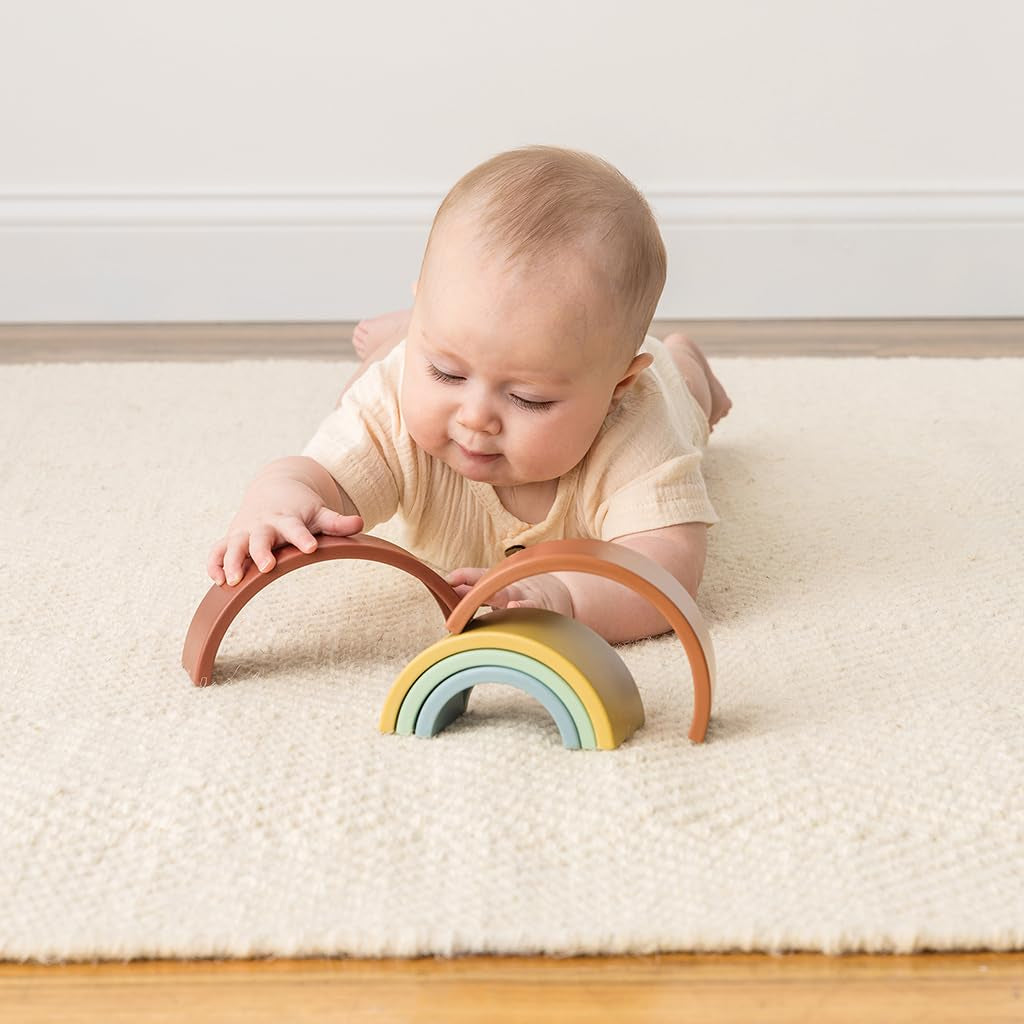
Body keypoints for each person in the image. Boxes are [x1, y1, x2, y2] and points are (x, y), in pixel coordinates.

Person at [206, 145, 731, 645]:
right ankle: (404, 338)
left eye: (528, 399)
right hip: (414, 354)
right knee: (362, 391)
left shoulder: (637, 426)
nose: (476, 419)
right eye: (447, 374)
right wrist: (274, 503)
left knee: (688, 399)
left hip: (666, 385)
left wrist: (568, 595)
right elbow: (312, 475)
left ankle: (689, 363)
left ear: (616, 389)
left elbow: (666, 569)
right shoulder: (392, 405)